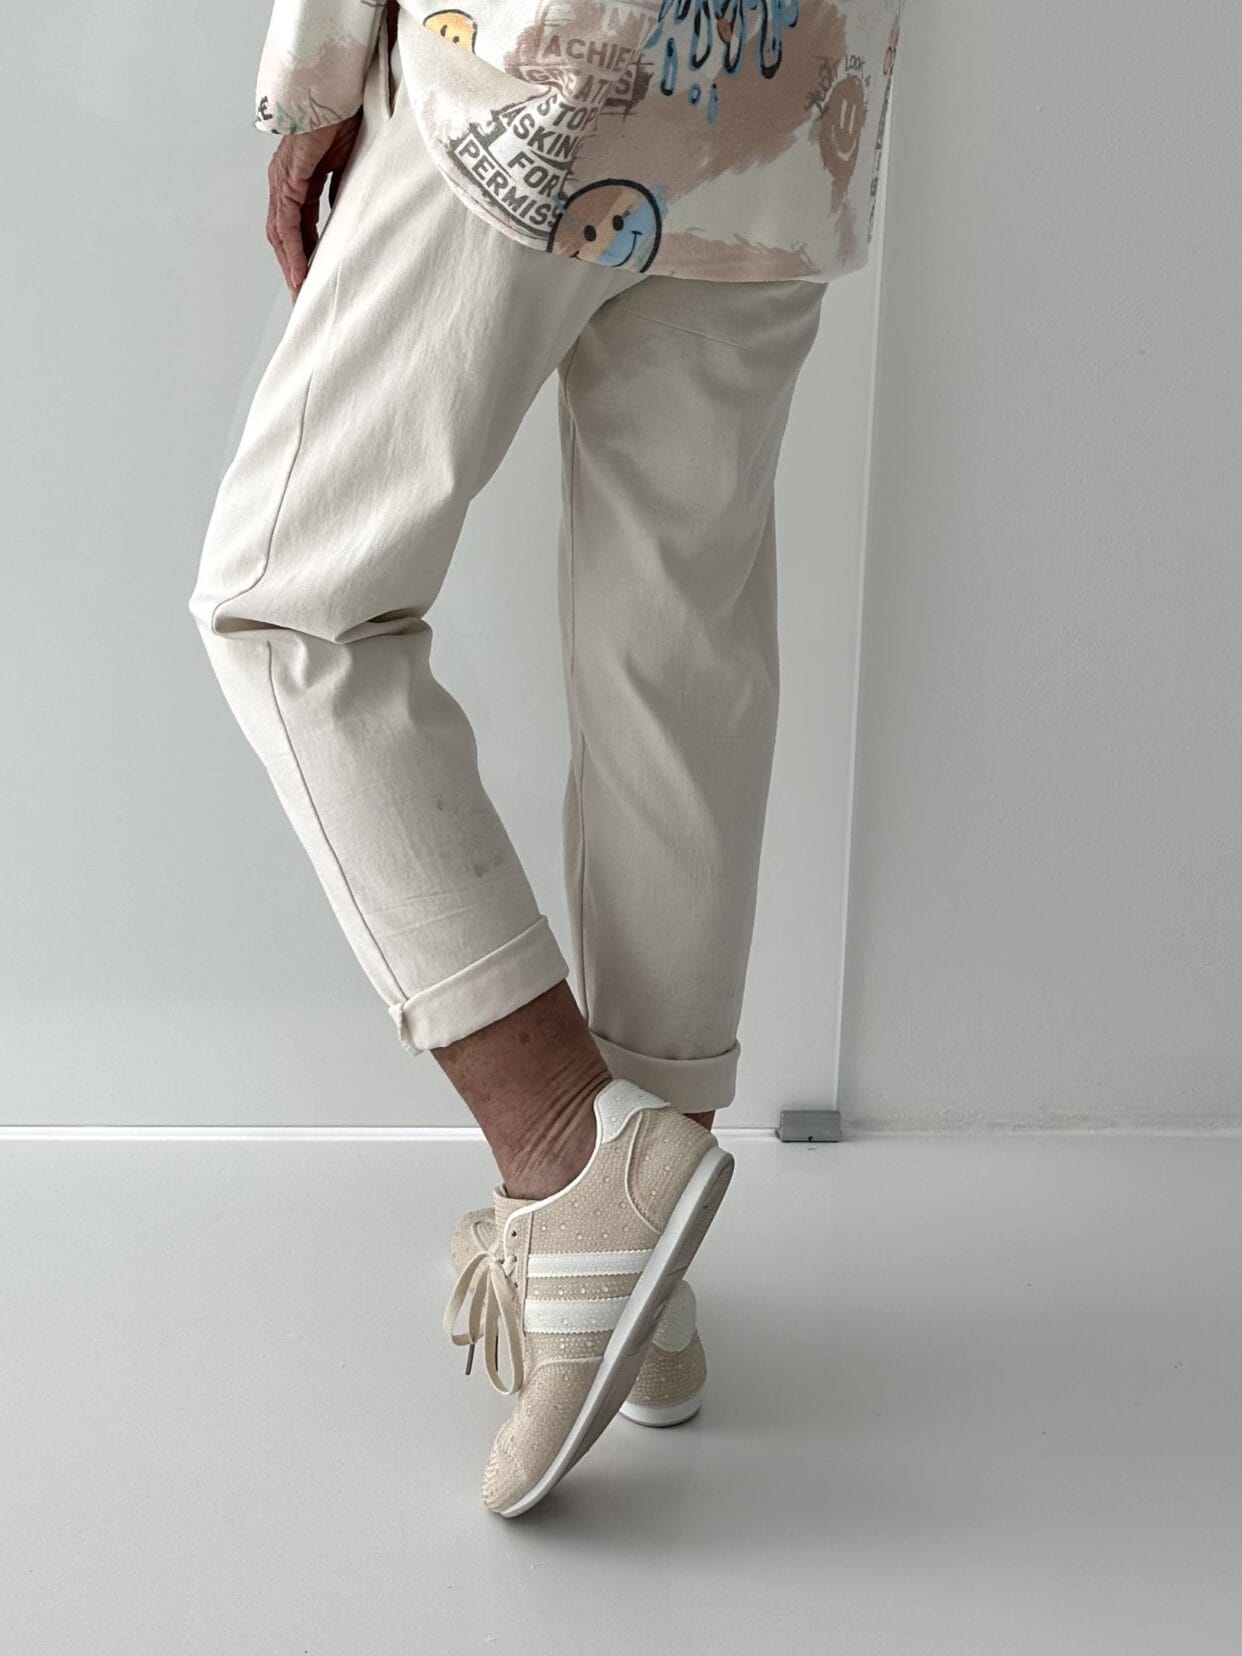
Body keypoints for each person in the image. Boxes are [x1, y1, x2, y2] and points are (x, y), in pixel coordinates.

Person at [190, 0, 904, 1516]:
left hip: (537, 56)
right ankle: (639, 1288)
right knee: (674, 655)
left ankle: (570, 1158)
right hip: (792, 88)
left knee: (286, 604)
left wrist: (312, 79)